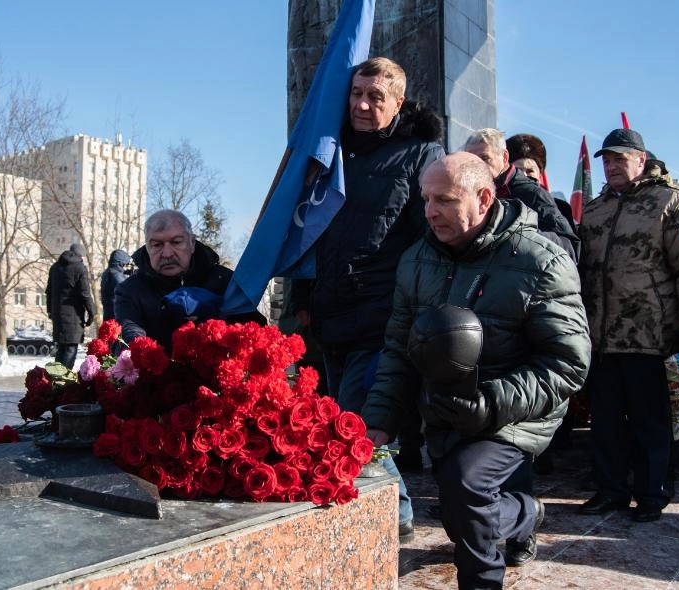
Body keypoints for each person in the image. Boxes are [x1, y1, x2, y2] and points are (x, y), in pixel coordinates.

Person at [362, 152, 590, 588]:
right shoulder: (416, 259)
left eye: (444, 199)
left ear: (484, 198)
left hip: (519, 410)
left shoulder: (542, 262)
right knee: (457, 512)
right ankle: (526, 513)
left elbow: (567, 363)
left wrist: (490, 404)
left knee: (468, 488)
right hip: (448, 407)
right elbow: (398, 349)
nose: (430, 211)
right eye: (426, 198)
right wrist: (379, 421)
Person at [290, 57, 446, 541]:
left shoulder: (420, 155)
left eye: (375, 97)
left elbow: (431, 242)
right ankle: (378, 512)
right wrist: (301, 296)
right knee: (342, 421)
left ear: (398, 102)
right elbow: (306, 229)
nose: (361, 104)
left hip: (382, 316)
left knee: (361, 424)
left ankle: (394, 519)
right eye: (356, 93)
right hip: (329, 314)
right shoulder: (330, 150)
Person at [578, 128, 679, 523]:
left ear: (641, 160)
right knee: (604, 421)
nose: (612, 166)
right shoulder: (596, 208)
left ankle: (652, 494)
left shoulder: (672, 201)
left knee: (648, 420)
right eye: (607, 160)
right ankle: (611, 490)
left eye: (621, 158)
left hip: (650, 334)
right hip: (601, 335)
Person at [115, 209, 263, 351]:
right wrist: (138, 354)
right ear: (147, 247)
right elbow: (130, 334)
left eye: (176, 242)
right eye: (157, 245)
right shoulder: (130, 291)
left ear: (191, 243)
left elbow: (255, 330)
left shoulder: (225, 282)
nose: (167, 253)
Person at [464, 128, 580, 262]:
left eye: (485, 158)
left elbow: (568, 247)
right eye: (472, 160)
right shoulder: (467, 195)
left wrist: (518, 239)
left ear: (504, 157)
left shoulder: (532, 194)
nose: (478, 166)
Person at [45, 243, 95, 370]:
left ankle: (55, 381)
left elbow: (48, 291)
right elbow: (85, 294)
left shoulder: (55, 267)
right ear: (80, 255)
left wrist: (50, 311)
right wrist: (91, 312)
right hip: (74, 317)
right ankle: (62, 382)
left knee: (61, 349)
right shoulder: (79, 268)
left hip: (58, 316)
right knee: (70, 349)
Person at [100, 249, 132, 321]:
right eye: (125, 263)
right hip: (116, 315)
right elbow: (127, 290)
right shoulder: (116, 275)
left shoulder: (107, 272)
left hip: (108, 313)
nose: (126, 266)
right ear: (121, 262)